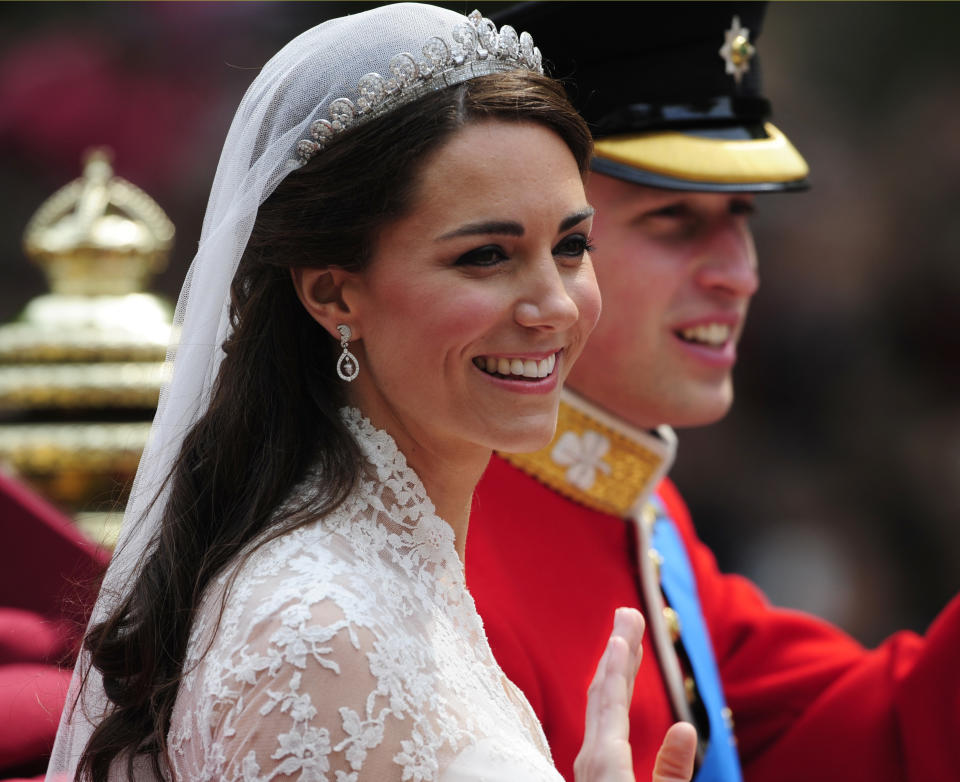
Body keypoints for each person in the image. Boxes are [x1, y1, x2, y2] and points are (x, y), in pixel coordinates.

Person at [45, 5, 699, 781]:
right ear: (333, 294)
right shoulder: (318, 636)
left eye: (572, 246)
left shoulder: (392, 577)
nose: (554, 305)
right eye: (487, 255)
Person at [466, 3, 960, 782]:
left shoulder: (637, 510)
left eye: (742, 218)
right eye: (675, 222)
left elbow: (872, 736)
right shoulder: (433, 549)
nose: (742, 272)